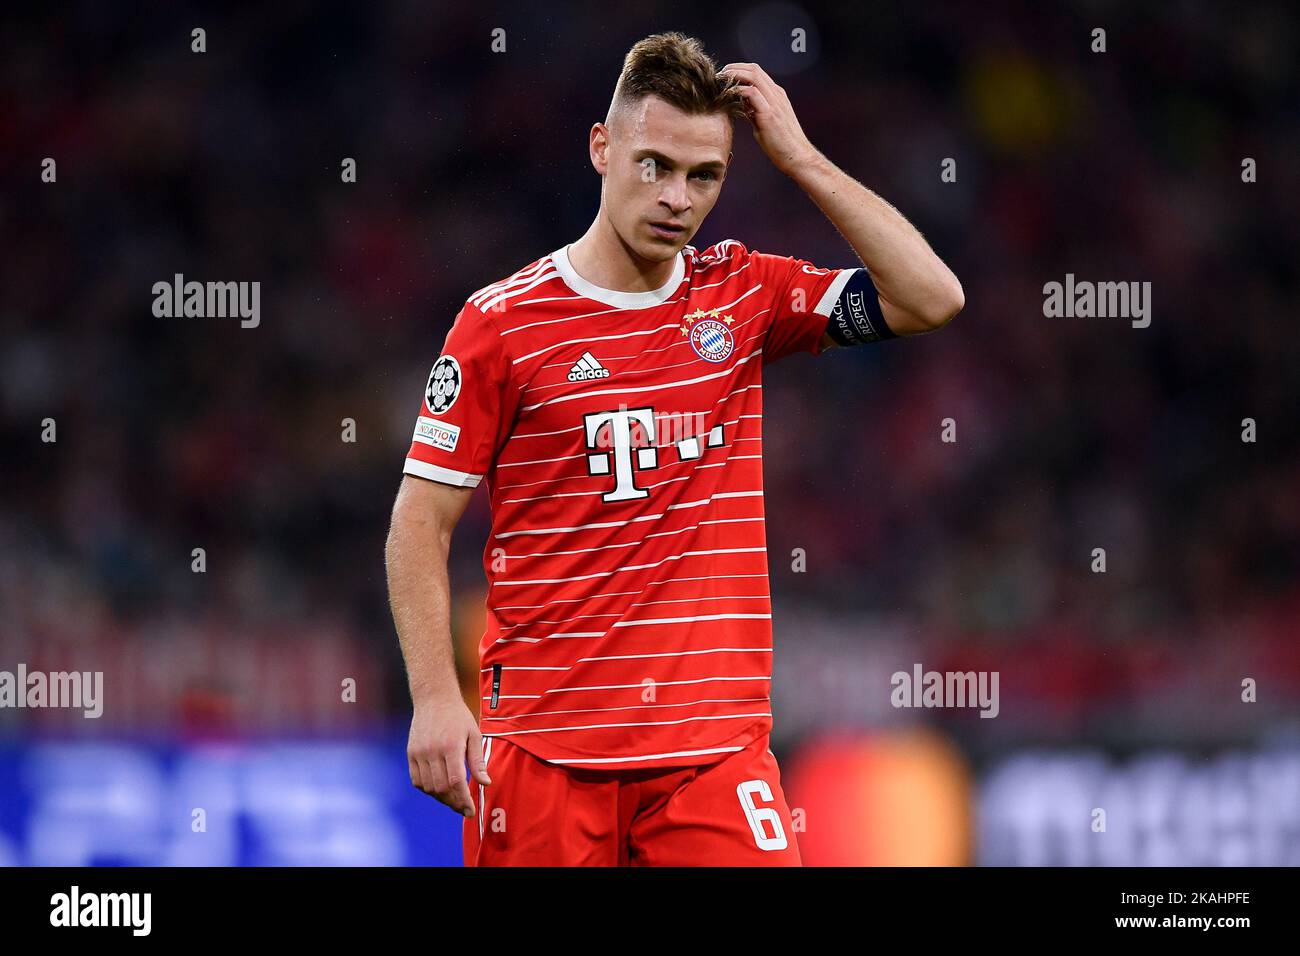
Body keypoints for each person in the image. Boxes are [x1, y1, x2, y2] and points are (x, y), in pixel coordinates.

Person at [385, 31, 962, 866]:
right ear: (602, 147)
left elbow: (931, 296)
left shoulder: (744, 293)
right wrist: (436, 697)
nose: (678, 198)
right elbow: (419, 522)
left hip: (713, 760)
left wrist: (800, 159)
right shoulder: (500, 326)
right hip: (545, 756)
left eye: (706, 176)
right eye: (655, 164)